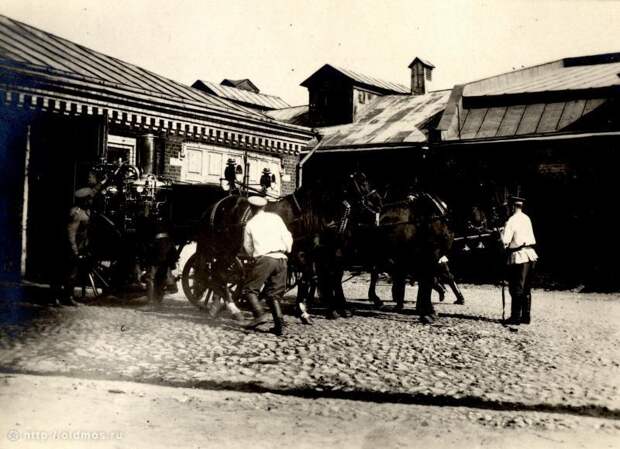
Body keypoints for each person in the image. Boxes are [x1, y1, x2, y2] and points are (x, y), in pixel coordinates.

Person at [242, 196, 293, 336]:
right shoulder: (276, 218)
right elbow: (287, 235)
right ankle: (279, 325)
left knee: (249, 289)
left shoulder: (250, 224)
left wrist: (255, 256)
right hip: (282, 258)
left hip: (265, 259)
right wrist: (287, 249)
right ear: (264, 207)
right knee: (274, 294)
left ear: (251, 208)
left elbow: (247, 246)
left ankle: (259, 314)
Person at [501, 196, 538, 324]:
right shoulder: (527, 218)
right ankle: (526, 316)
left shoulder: (511, 220)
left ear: (512, 207)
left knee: (516, 287)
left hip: (519, 257)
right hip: (531, 255)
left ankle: (515, 317)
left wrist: (500, 233)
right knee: (526, 288)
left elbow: (505, 241)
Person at [58, 187, 94, 306]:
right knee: (69, 273)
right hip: (72, 248)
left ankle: (64, 296)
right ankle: (67, 297)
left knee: (72, 272)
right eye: (89, 199)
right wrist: (74, 250)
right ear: (84, 200)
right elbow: (71, 233)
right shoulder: (76, 213)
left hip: (80, 246)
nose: (91, 201)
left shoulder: (85, 211)